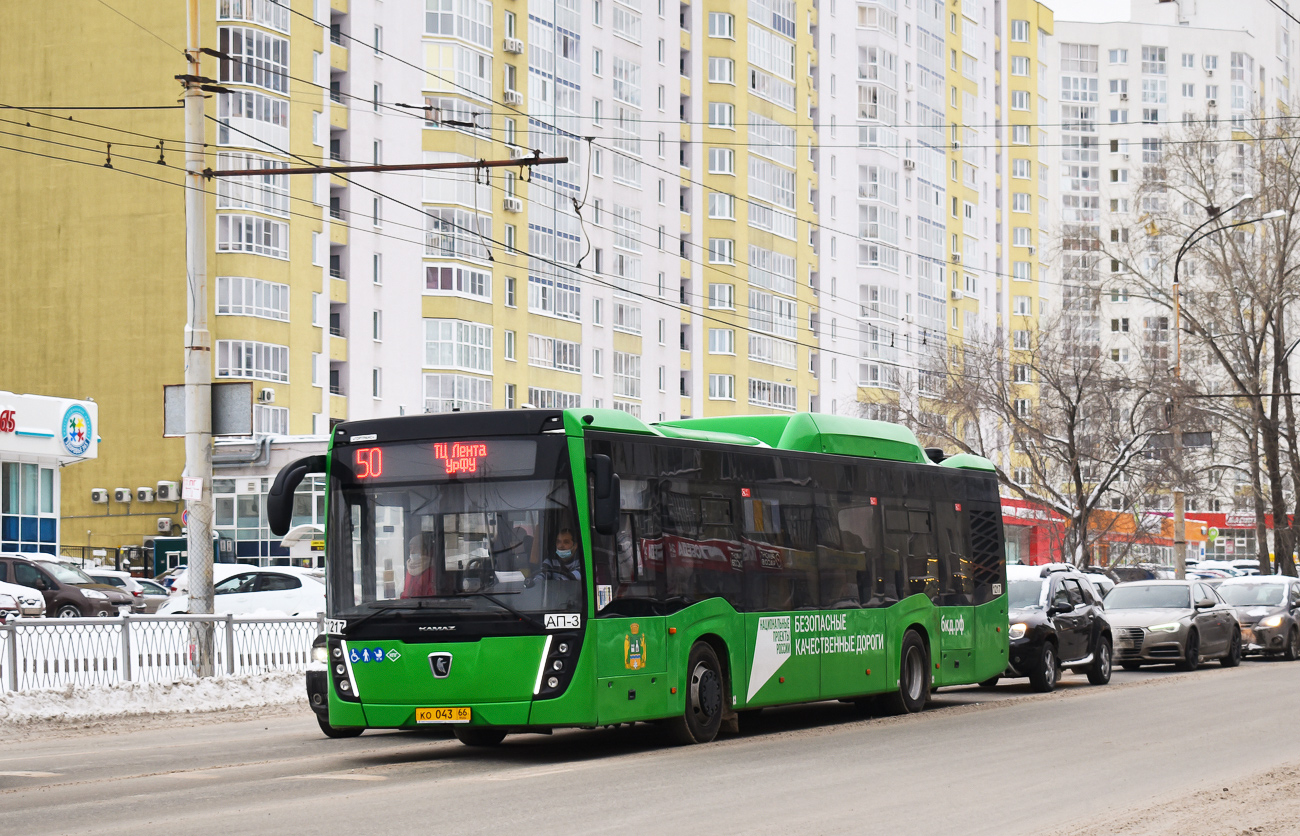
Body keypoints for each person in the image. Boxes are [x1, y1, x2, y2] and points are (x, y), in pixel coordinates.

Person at [401, 533, 435, 598]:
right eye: (411, 548)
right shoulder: (410, 569)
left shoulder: (432, 570)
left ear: (425, 550)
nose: (412, 551)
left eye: (416, 548)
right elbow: (406, 592)